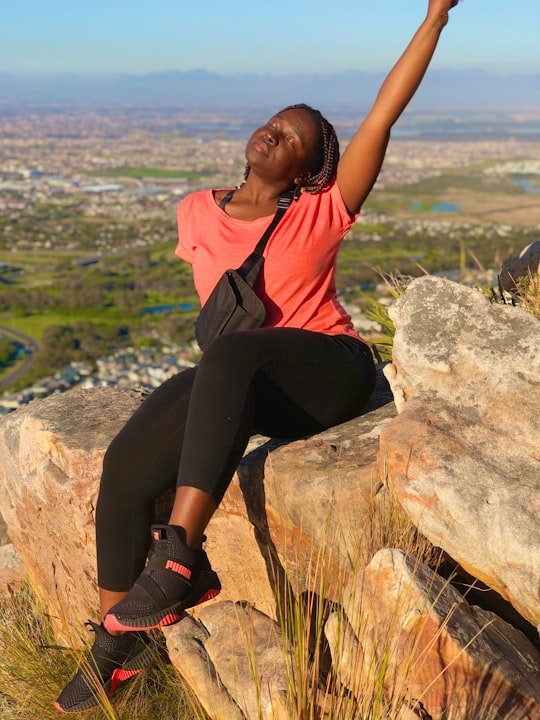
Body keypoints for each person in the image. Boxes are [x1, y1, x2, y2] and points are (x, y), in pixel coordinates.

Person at [55, 0, 459, 712]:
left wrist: (434, 16)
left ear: (309, 171)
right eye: (273, 123)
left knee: (233, 356)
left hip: (327, 372)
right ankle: (117, 655)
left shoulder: (321, 210)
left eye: (292, 138)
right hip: (241, 377)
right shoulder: (194, 210)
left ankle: (177, 557)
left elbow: (381, 116)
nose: (273, 134)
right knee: (124, 468)